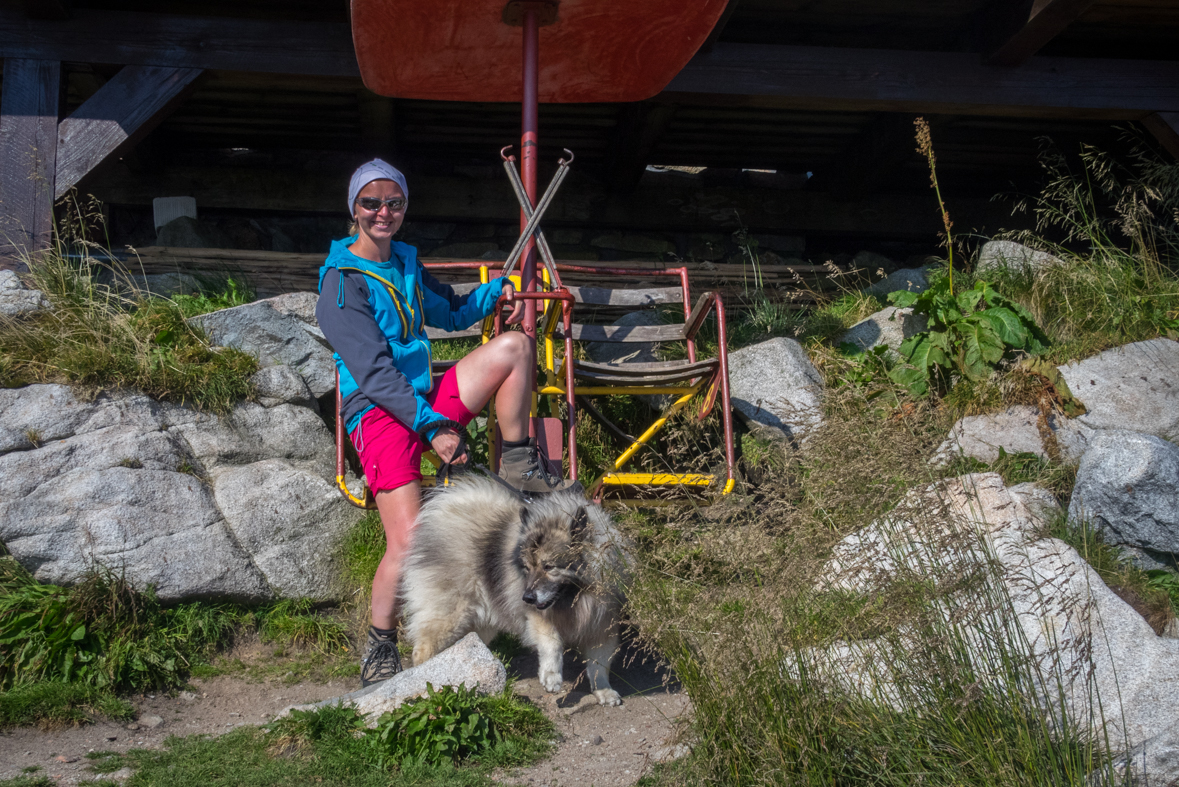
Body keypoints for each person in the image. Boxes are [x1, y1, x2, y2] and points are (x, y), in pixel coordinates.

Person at [316, 159, 575, 687]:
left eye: (394, 202)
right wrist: (433, 428)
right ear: (354, 209)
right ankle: (380, 644)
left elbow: (451, 312)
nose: (383, 212)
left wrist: (492, 293)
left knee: (515, 347)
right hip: (377, 411)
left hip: (422, 400)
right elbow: (372, 373)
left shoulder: (405, 263)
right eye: (372, 203)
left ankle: (520, 462)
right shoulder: (340, 286)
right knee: (410, 541)